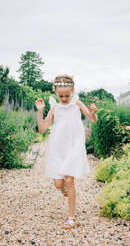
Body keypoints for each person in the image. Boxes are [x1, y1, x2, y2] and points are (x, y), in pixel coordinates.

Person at [35, 74, 98, 229]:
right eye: (61, 95)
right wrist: (40, 111)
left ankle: (71, 218)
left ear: (73, 91)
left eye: (67, 95)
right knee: (58, 184)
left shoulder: (77, 103)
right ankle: (63, 188)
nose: (64, 98)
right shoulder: (55, 107)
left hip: (74, 146)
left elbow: (92, 119)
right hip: (58, 148)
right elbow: (42, 128)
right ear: (55, 92)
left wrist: (93, 112)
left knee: (69, 180)